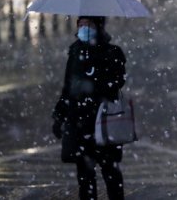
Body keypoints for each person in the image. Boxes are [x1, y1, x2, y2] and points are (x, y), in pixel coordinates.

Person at [52, 16, 127, 200]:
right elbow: (67, 87)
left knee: (111, 172)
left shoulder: (112, 52)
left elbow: (117, 82)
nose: (84, 28)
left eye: (89, 24)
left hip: (104, 121)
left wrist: (94, 85)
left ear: (99, 26)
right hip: (80, 123)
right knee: (85, 177)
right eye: (81, 24)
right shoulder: (75, 51)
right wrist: (59, 115)